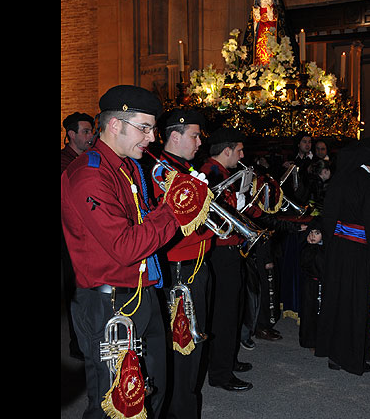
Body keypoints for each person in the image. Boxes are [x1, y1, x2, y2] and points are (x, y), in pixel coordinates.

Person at [61, 85, 211, 419]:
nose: (153, 137)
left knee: (152, 392)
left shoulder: (126, 166)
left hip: (142, 293)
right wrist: (177, 207)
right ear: (115, 126)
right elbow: (126, 246)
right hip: (107, 304)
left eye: (152, 128)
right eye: (144, 128)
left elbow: (145, 222)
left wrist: (172, 205)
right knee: (115, 401)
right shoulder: (89, 174)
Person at [150, 109, 215, 419]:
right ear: (174, 137)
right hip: (180, 271)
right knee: (181, 349)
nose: (200, 141)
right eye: (194, 135)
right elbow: (166, 229)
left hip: (198, 265)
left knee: (195, 344)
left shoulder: (187, 169)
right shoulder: (161, 172)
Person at [314, 137, 370, 376]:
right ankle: (352, 358)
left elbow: (329, 217)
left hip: (338, 250)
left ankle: (334, 355)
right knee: (356, 305)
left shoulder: (340, 180)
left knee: (337, 301)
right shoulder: (369, 183)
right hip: (359, 253)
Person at [199, 127, 255, 392]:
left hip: (230, 250)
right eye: (239, 150)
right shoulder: (211, 174)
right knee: (224, 314)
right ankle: (220, 372)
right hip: (220, 251)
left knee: (234, 308)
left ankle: (228, 359)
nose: (242, 155)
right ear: (227, 150)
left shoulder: (223, 173)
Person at [61, 111, 94, 360]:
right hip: (69, 235)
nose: (90, 136)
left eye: (91, 131)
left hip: (86, 235)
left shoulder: (87, 158)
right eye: (85, 131)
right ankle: (78, 343)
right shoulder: (65, 162)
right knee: (76, 288)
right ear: (71, 135)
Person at [241, 0, 299, 68]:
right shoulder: (258, 1)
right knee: (260, 48)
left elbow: (280, 17)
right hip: (260, 29)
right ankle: (260, 67)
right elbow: (254, 20)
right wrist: (256, 13)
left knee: (271, 49)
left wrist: (270, 10)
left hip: (272, 29)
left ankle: (272, 66)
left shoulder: (275, 0)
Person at [298, 220, 325, 350]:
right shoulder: (307, 249)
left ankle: (322, 340)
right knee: (309, 312)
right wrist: (311, 248)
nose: (313, 236)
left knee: (322, 314)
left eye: (317, 233)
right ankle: (310, 341)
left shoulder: (326, 250)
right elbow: (304, 265)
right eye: (311, 232)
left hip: (323, 286)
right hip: (310, 285)